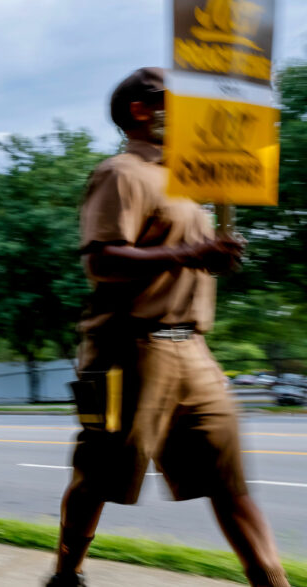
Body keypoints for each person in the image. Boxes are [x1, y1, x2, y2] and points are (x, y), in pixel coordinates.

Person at [47, 68, 289, 587]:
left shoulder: (195, 179)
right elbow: (101, 260)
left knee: (230, 482)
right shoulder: (122, 172)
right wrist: (193, 252)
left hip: (194, 353)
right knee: (99, 478)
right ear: (141, 109)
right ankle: (66, 574)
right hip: (125, 352)